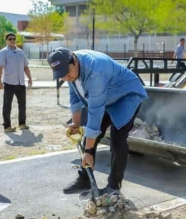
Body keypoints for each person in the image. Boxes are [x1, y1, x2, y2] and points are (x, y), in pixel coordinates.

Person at [47, 47, 148, 194]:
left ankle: (114, 187)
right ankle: (85, 180)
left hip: (126, 96)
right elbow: (75, 97)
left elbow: (95, 113)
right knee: (88, 137)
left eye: (67, 73)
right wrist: (76, 123)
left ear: (74, 61)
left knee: (117, 141)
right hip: (106, 97)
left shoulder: (95, 71)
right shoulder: (70, 70)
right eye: (62, 76)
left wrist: (88, 151)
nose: (66, 78)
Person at [0, 33, 33, 132]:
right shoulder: (3, 52)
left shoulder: (20, 52)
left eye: (14, 39)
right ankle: (7, 126)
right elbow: (0, 68)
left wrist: (29, 78)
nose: (12, 40)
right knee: (7, 105)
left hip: (20, 83)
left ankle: (22, 123)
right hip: (9, 83)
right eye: (10, 39)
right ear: (6, 40)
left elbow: (25, 67)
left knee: (22, 104)